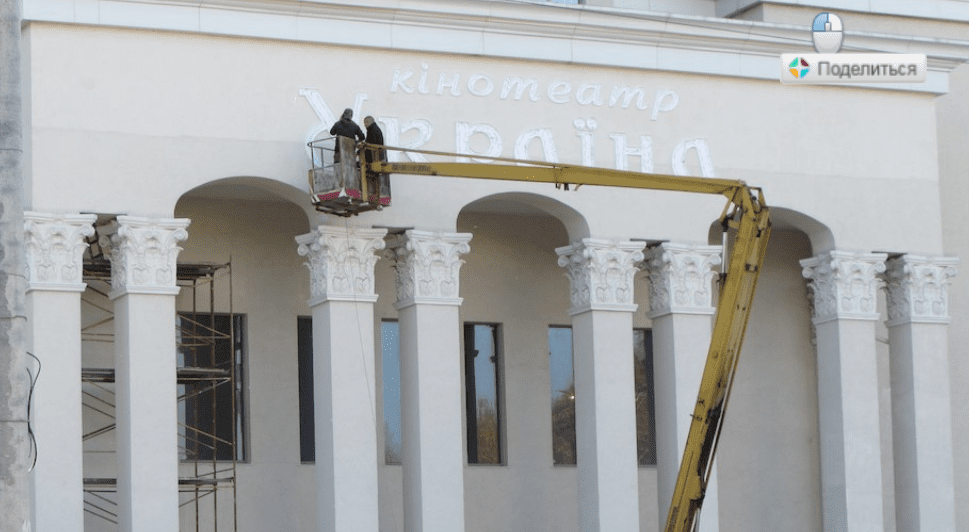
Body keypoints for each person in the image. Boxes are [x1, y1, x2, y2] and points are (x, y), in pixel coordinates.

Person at [363, 116, 387, 203]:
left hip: (374, 158)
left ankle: (370, 194)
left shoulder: (372, 130)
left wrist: (362, 149)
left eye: (366, 122)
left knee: (367, 172)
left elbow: (370, 143)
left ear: (370, 122)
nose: (365, 125)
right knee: (375, 176)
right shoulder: (375, 129)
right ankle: (375, 196)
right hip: (377, 157)